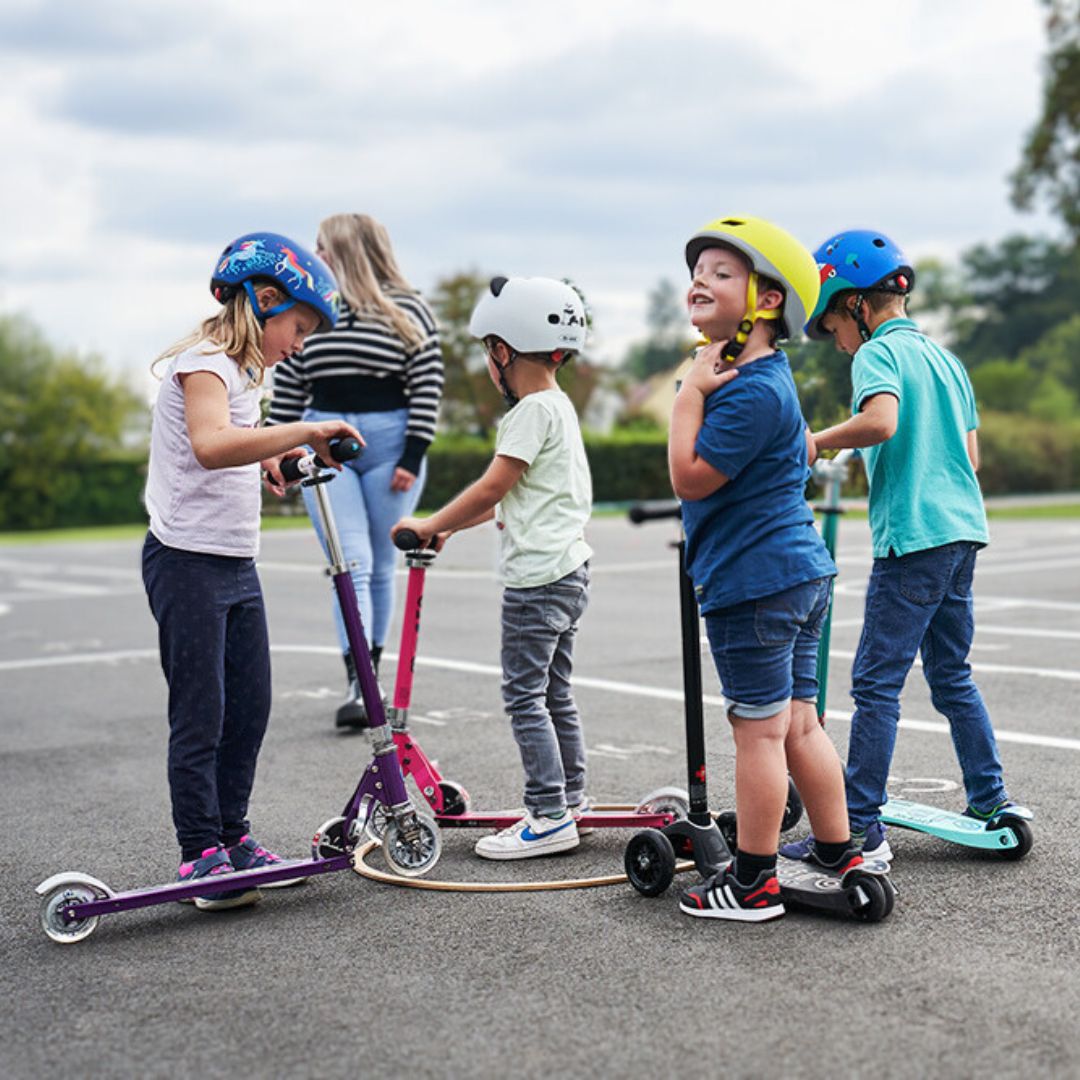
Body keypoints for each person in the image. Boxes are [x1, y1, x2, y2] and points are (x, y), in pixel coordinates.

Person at [780, 229, 1015, 865]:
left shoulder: (877, 355)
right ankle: (991, 798)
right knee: (950, 674)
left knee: (876, 683)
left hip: (912, 538)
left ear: (855, 304)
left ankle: (854, 826)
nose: (835, 340)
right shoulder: (946, 360)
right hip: (963, 533)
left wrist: (816, 441)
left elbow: (882, 421)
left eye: (831, 324)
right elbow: (970, 456)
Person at [144, 231, 362, 909]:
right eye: (298, 328)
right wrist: (302, 431)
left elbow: (237, 444)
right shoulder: (204, 363)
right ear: (266, 301)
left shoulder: (244, 375)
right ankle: (199, 853)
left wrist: (276, 462)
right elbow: (210, 445)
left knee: (250, 707)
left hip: (236, 562)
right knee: (201, 712)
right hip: (186, 560)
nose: (299, 344)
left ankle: (234, 838)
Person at [669, 215, 861, 924]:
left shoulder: (746, 391)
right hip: (795, 573)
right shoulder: (763, 379)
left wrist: (690, 391)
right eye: (698, 271)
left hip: (756, 581)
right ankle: (841, 852)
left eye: (722, 273)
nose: (700, 281)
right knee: (801, 723)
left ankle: (752, 883)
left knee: (759, 733)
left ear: (767, 300)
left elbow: (690, 477)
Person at [392, 276, 592, 860]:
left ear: (503, 351)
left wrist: (429, 523)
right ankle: (570, 797)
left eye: (488, 350)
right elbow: (515, 499)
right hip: (569, 572)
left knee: (525, 696)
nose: (487, 361)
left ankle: (549, 814)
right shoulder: (559, 409)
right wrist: (451, 528)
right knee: (555, 692)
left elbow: (494, 484)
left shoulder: (529, 413)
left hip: (536, 581)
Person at [267, 214, 444, 729]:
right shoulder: (315, 308)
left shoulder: (408, 307)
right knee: (352, 562)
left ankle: (374, 676)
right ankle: (358, 682)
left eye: (323, 247)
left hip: (391, 449)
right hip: (325, 443)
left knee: (383, 563)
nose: (315, 255)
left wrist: (413, 454)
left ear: (347, 248)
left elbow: (427, 381)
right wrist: (273, 451)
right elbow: (292, 386)